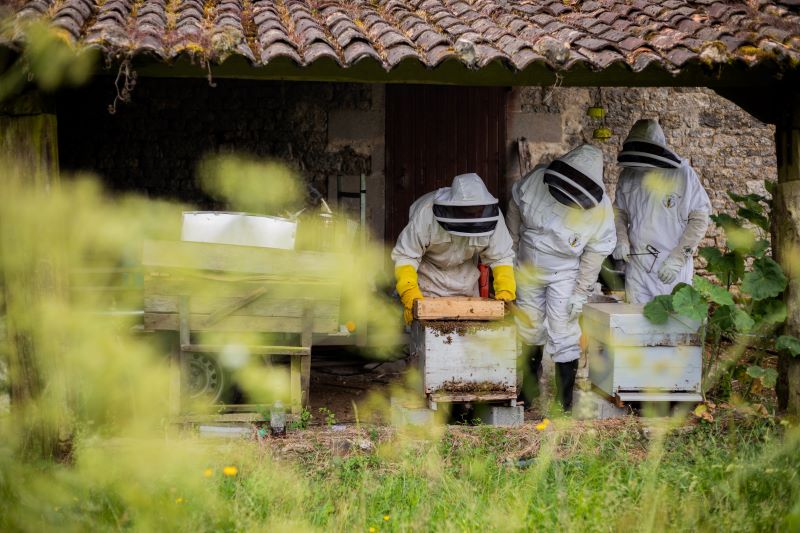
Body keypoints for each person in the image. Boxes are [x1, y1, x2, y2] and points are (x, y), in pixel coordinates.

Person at [507, 144, 616, 411]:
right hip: (527, 267)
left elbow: (596, 252)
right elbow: (514, 214)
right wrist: (509, 258)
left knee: (564, 331)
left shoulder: (600, 209)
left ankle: (564, 403)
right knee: (529, 327)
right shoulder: (534, 181)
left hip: (564, 273)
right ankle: (528, 392)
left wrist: (580, 292)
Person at [391, 173, 516, 325]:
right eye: (469, 213)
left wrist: (505, 290)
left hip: (465, 281)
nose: (474, 217)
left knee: (468, 333)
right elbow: (406, 256)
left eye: (479, 211)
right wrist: (409, 293)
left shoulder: (494, 217)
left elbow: (501, 256)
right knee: (427, 334)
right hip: (428, 278)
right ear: (455, 208)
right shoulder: (426, 213)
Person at [613, 119, 711, 304]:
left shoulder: (683, 174)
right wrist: (621, 239)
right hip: (638, 267)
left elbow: (699, 219)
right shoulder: (628, 174)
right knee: (635, 320)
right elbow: (619, 212)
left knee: (672, 318)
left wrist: (677, 259)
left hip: (670, 267)